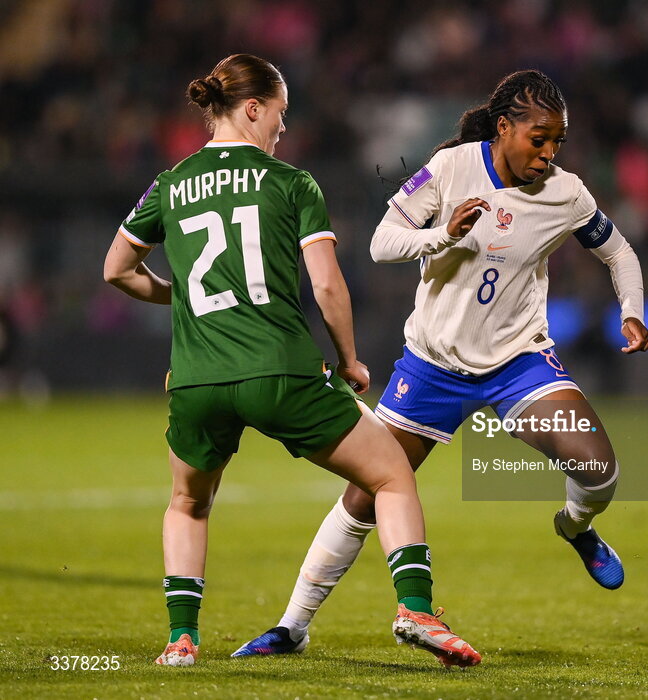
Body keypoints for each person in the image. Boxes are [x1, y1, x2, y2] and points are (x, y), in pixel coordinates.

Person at [233, 69, 648, 656]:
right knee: (366, 494)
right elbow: (382, 243)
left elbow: (618, 251)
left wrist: (630, 311)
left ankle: (575, 527)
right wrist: (442, 237)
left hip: (517, 363)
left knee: (599, 470)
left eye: (558, 141)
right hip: (432, 366)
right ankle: (291, 628)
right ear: (504, 128)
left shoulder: (567, 193)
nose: (549, 153)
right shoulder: (451, 169)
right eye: (539, 139)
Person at [102, 54, 479, 669]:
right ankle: (415, 608)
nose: (282, 127)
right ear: (253, 108)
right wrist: (350, 360)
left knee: (187, 503)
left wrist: (191, 300)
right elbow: (328, 287)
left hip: (197, 380)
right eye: (280, 113)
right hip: (280, 371)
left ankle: (181, 640)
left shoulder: (169, 184)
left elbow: (116, 269)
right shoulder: (292, 183)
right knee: (390, 474)